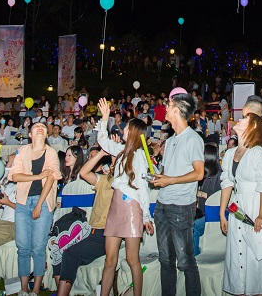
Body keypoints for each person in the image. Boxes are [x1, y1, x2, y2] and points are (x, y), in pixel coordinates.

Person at [218, 113, 262, 296]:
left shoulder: (257, 152)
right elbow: (227, 183)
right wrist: (222, 213)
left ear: (253, 127)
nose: (239, 120)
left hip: (255, 205)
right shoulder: (230, 154)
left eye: (245, 119)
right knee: (238, 254)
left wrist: (261, 215)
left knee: (257, 256)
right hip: (237, 208)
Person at [148, 91, 205, 296]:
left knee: (185, 261)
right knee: (165, 260)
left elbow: (199, 173)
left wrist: (169, 180)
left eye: (169, 104)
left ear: (177, 110)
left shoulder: (193, 139)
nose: (165, 107)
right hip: (162, 204)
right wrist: (158, 176)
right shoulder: (170, 140)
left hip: (181, 207)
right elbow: (168, 171)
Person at [95, 98, 153, 296]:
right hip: (115, 206)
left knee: (132, 259)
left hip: (131, 208)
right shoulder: (121, 150)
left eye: (127, 127)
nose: (124, 129)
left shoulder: (139, 156)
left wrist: (146, 216)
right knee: (109, 260)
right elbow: (103, 141)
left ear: (134, 132)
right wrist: (105, 118)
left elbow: (143, 188)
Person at [9, 121, 62, 295]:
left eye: (43, 127)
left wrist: (39, 204)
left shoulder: (51, 153)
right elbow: (15, 176)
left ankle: (36, 290)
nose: (40, 128)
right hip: (22, 203)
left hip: (44, 203)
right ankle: (24, 288)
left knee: (38, 247)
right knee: (23, 247)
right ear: (30, 134)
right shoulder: (22, 151)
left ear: (46, 134)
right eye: (36, 126)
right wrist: (38, 176)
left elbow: (51, 178)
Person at [51, 149, 113, 296]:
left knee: (70, 254)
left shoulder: (123, 184)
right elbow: (84, 172)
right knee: (59, 246)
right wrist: (102, 152)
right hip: (92, 230)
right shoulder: (103, 180)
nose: (112, 165)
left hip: (106, 234)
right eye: (112, 161)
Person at [193, 142, 221, 256]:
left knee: (193, 228)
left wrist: (199, 194)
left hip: (212, 216)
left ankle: (194, 258)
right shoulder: (201, 173)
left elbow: (217, 199)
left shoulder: (219, 176)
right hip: (199, 212)